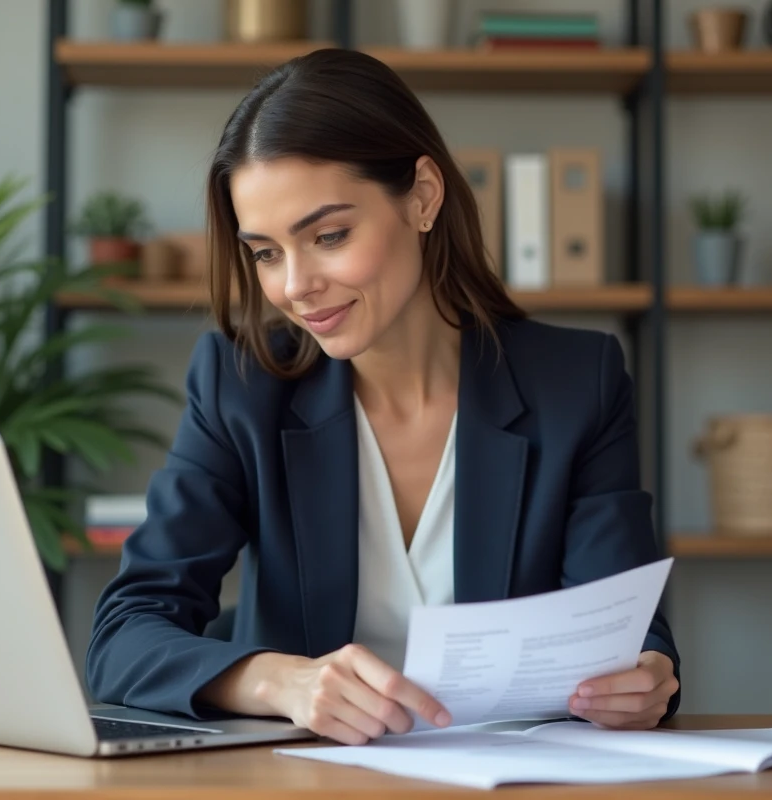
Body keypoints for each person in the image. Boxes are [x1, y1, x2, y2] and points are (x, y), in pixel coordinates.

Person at [85, 47, 680, 746]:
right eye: (267, 252)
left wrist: (646, 677)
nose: (295, 286)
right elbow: (123, 635)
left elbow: (624, 625)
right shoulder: (241, 383)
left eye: (329, 236)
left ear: (423, 197)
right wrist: (281, 682)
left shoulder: (578, 382)